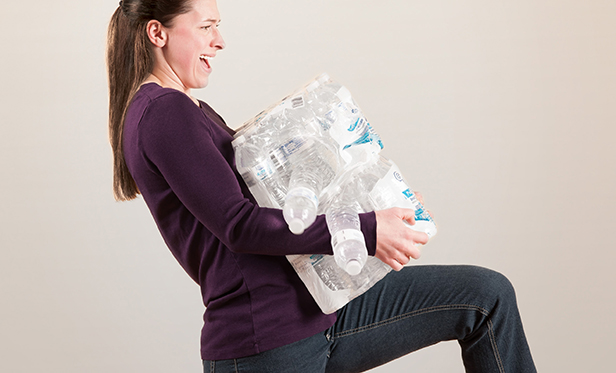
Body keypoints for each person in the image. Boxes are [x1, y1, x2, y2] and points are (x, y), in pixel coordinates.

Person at [106, 0, 537, 372]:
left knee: (487, 297)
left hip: (318, 312)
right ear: (157, 33)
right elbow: (239, 225)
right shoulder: (165, 112)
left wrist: (382, 207)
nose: (219, 40)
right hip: (268, 344)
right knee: (487, 296)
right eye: (206, 26)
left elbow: (277, 194)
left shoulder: (182, 108)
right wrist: (368, 230)